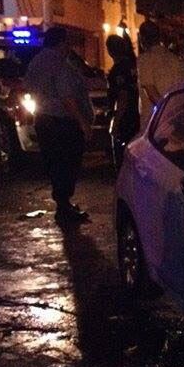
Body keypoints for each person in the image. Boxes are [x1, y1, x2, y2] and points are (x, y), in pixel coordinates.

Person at [23, 26, 93, 224]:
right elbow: (67, 98)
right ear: (61, 43)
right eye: (67, 42)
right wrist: (83, 123)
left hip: (44, 120)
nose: (69, 46)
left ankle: (63, 205)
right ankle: (64, 208)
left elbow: (27, 87)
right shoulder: (59, 63)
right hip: (62, 123)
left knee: (55, 164)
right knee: (67, 163)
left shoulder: (36, 61)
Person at [136, 19, 184, 131]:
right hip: (177, 124)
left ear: (142, 38)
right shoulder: (176, 60)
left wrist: (166, 113)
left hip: (154, 125)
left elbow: (150, 91)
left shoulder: (145, 60)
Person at [106, 34, 139, 170]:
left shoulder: (118, 70)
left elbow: (123, 96)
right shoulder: (132, 65)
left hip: (125, 119)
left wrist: (116, 122)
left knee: (122, 161)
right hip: (136, 115)